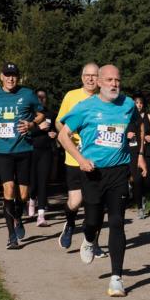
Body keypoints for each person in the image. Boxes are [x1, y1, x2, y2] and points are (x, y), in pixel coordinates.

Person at [57, 64, 146, 297]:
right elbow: (63, 135)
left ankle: (116, 278)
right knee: (93, 220)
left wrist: (139, 154)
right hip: (92, 172)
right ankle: (89, 239)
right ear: (98, 82)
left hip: (118, 171)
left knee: (116, 221)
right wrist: (80, 159)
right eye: (109, 80)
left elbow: (139, 125)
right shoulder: (84, 107)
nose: (114, 84)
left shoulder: (128, 104)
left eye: (117, 80)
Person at [0, 63, 45, 250]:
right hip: (3, 151)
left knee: (23, 194)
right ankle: (11, 236)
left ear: (18, 77)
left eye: (14, 75)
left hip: (24, 149)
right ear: (1, 76)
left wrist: (31, 124)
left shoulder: (27, 94)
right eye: (7, 75)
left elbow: (41, 114)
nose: (10, 78)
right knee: (9, 189)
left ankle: (18, 217)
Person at [55, 63, 101, 251]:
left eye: (94, 75)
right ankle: (70, 223)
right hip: (74, 158)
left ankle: (93, 242)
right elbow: (59, 122)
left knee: (95, 203)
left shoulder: (104, 98)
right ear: (82, 77)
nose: (90, 78)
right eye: (87, 75)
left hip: (96, 159)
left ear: (99, 78)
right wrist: (69, 135)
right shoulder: (71, 96)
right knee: (75, 202)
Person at [28, 88, 57, 226]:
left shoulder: (50, 114)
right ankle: (31, 199)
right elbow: (25, 133)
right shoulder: (29, 114)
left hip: (46, 151)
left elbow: (55, 130)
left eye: (43, 97)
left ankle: (41, 215)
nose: (41, 99)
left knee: (43, 182)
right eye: (38, 97)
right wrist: (39, 128)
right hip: (31, 150)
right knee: (33, 182)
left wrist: (54, 134)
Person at [130, 93, 150, 219]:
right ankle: (140, 207)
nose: (139, 105)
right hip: (134, 151)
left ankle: (144, 197)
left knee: (147, 181)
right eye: (136, 103)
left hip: (147, 151)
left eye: (140, 103)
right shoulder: (129, 117)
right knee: (137, 180)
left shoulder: (149, 117)